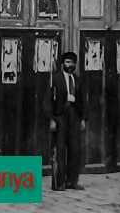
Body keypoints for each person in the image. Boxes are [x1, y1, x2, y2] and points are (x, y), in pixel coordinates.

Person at [43, 52, 87, 192]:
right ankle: (59, 183)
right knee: (60, 150)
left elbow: (83, 101)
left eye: (73, 63)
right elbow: (48, 101)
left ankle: (72, 181)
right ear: (63, 63)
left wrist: (83, 119)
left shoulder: (78, 80)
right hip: (60, 116)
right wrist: (51, 119)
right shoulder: (55, 79)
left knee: (75, 149)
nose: (70, 65)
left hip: (75, 115)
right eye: (68, 62)